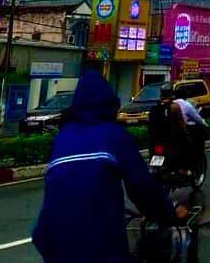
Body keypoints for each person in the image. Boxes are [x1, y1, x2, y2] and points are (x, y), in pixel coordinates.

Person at [32, 70, 181, 263]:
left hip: (50, 244)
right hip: (99, 248)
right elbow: (142, 187)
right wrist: (168, 212)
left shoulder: (63, 137)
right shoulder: (114, 135)